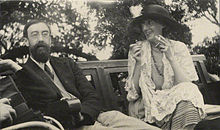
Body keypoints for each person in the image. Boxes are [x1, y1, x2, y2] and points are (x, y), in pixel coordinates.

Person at [0, 19, 160, 130]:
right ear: (27, 41)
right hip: (71, 125)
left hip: (95, 115)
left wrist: (84, 115)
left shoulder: (67, 63)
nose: (40, 39)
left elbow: (91, 95)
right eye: (34, 35)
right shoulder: (22, 75)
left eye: (45, 34)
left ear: (50, 39)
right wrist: (16, 68)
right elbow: (43, 105)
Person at [125, 4, 206, 130]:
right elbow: (133, 94)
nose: (145, 28)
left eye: (150, 23)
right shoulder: (137, 50)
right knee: (187, 105)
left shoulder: (178, 47)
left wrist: (170, 57)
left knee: (189, 94)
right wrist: (139, 64)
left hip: (173, 104)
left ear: (163, 25)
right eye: (143, 24)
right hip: (147, 108)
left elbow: (185, 86)